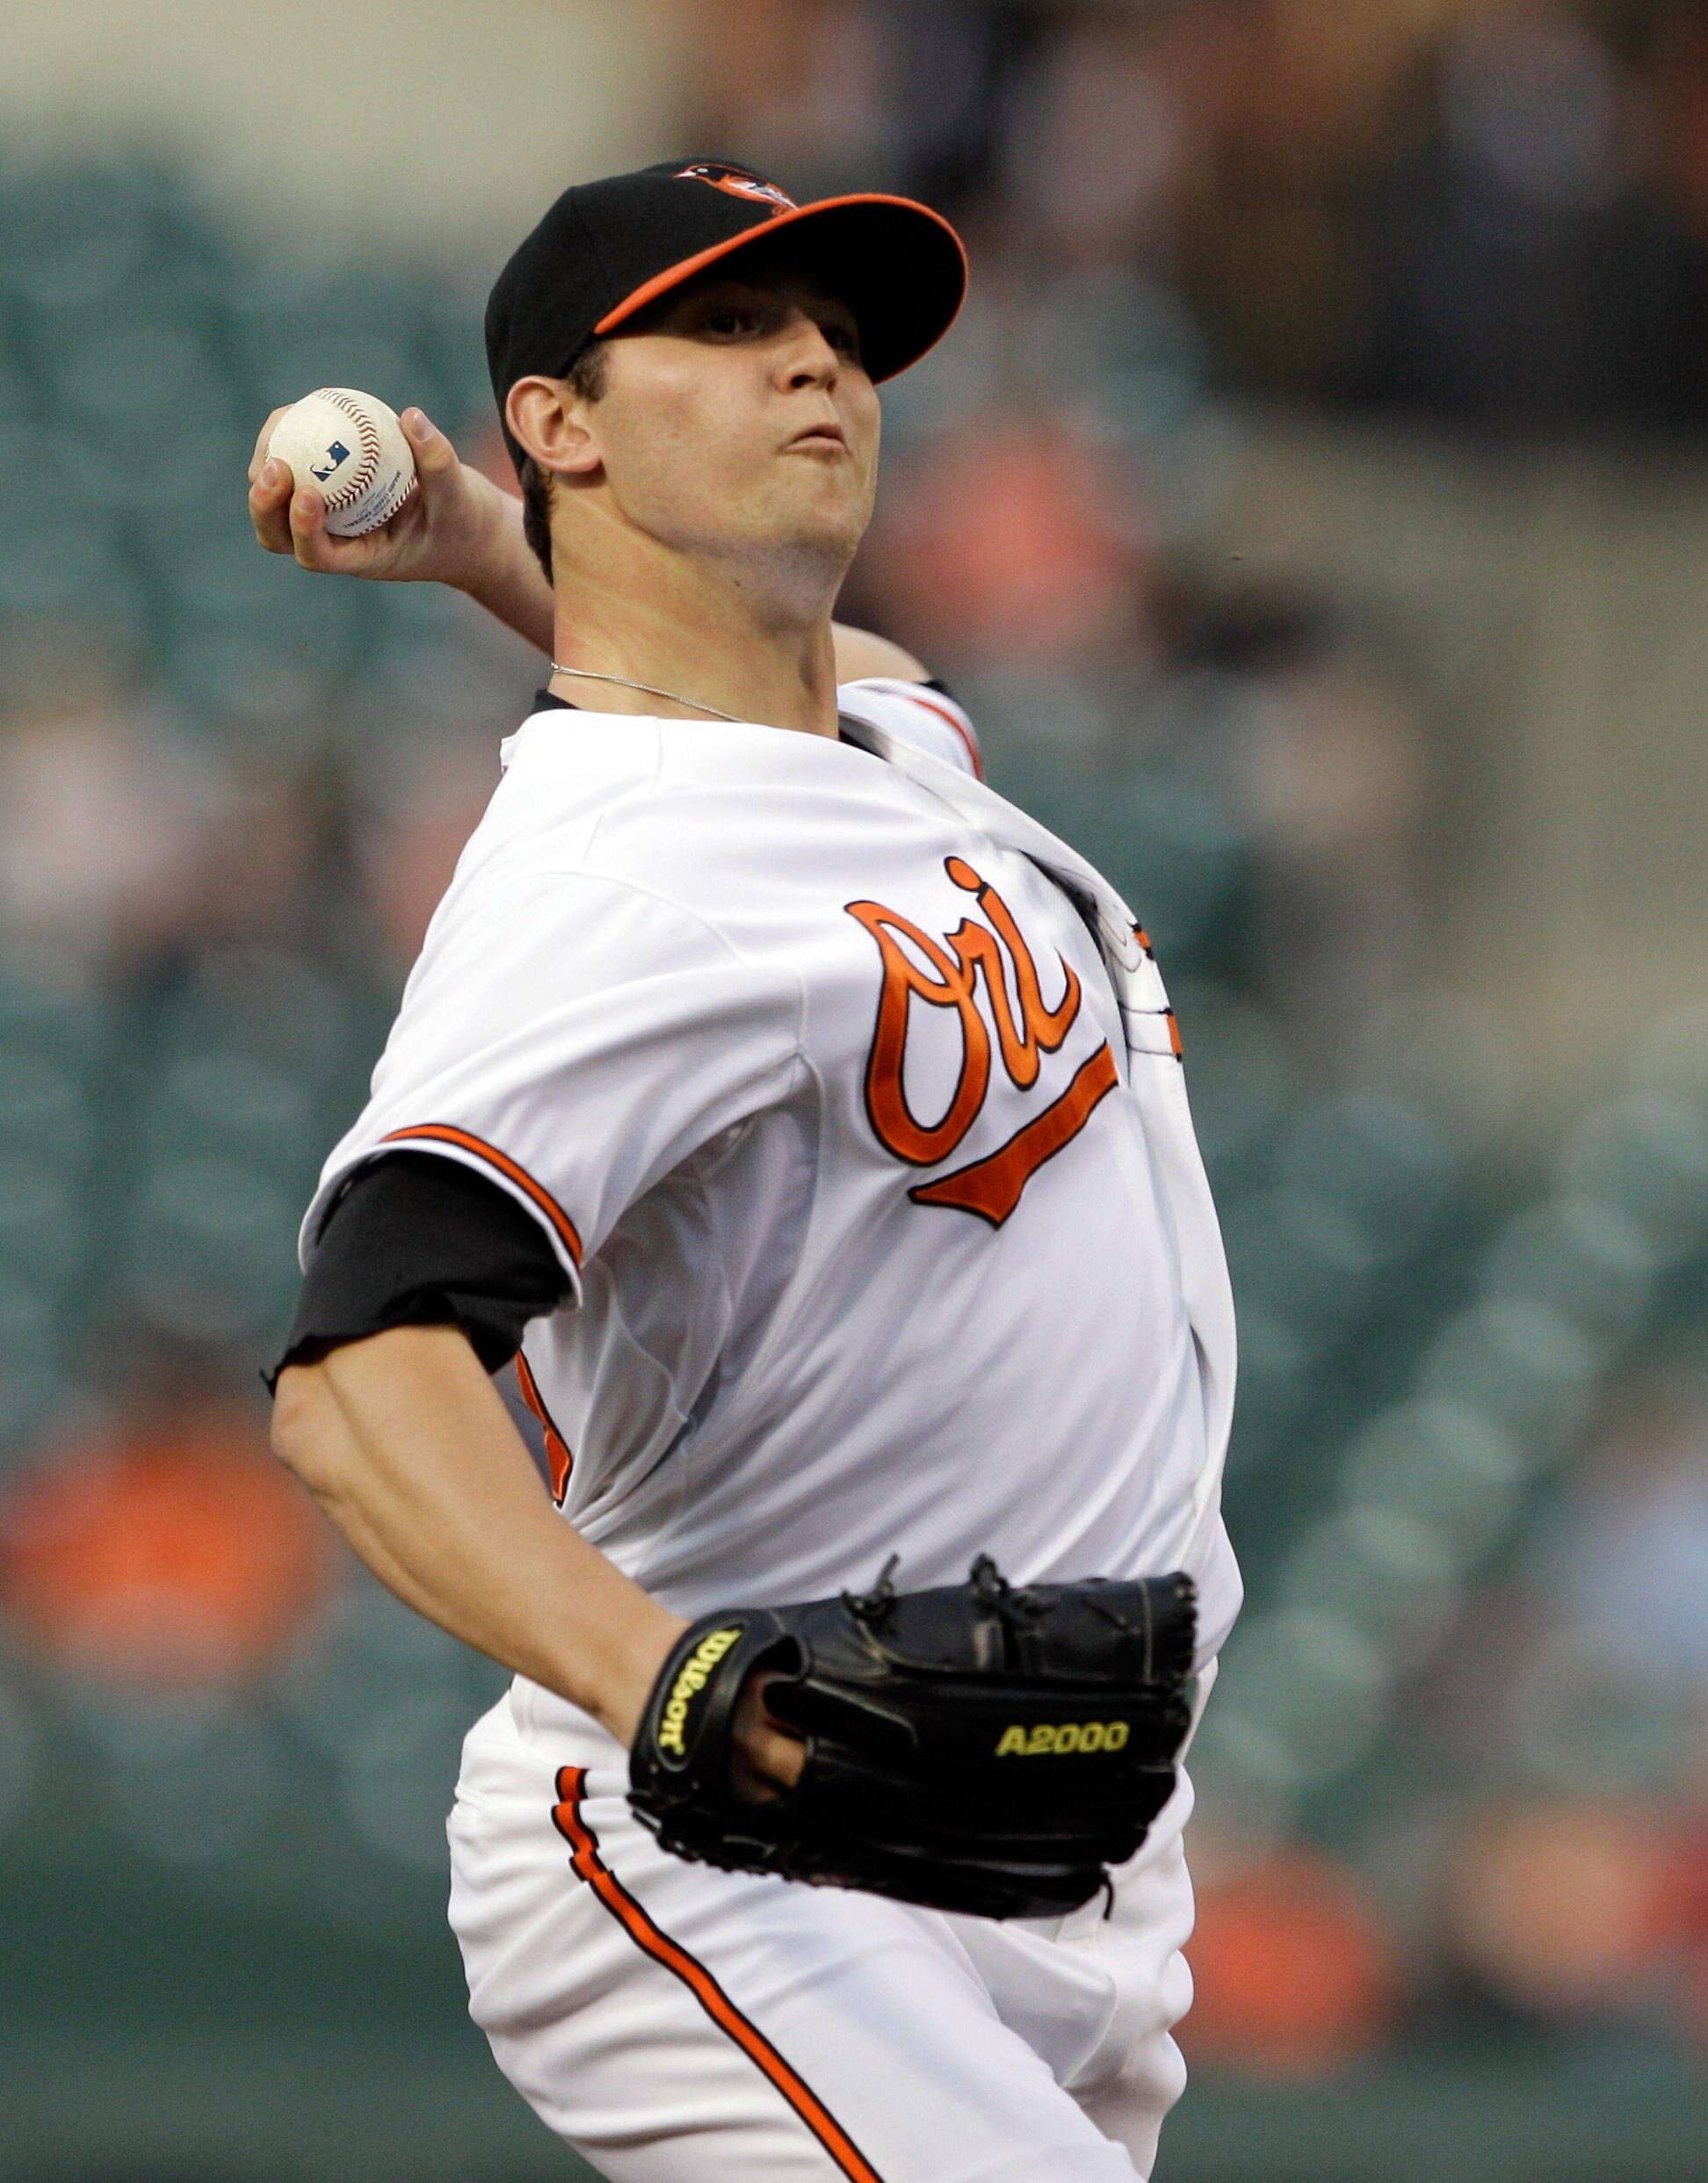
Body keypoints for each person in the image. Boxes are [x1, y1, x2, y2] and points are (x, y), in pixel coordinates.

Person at [257, 158, 1239, 2183]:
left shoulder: (879, 758)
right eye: (724, 324)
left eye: (842, 332)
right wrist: (668, 1689)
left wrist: (482, 547)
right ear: (563, 417)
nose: (817, 359)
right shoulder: (613, 881)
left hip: (1052, 1849)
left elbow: (804, 681)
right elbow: (363, 1380)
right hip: (742, 1854)